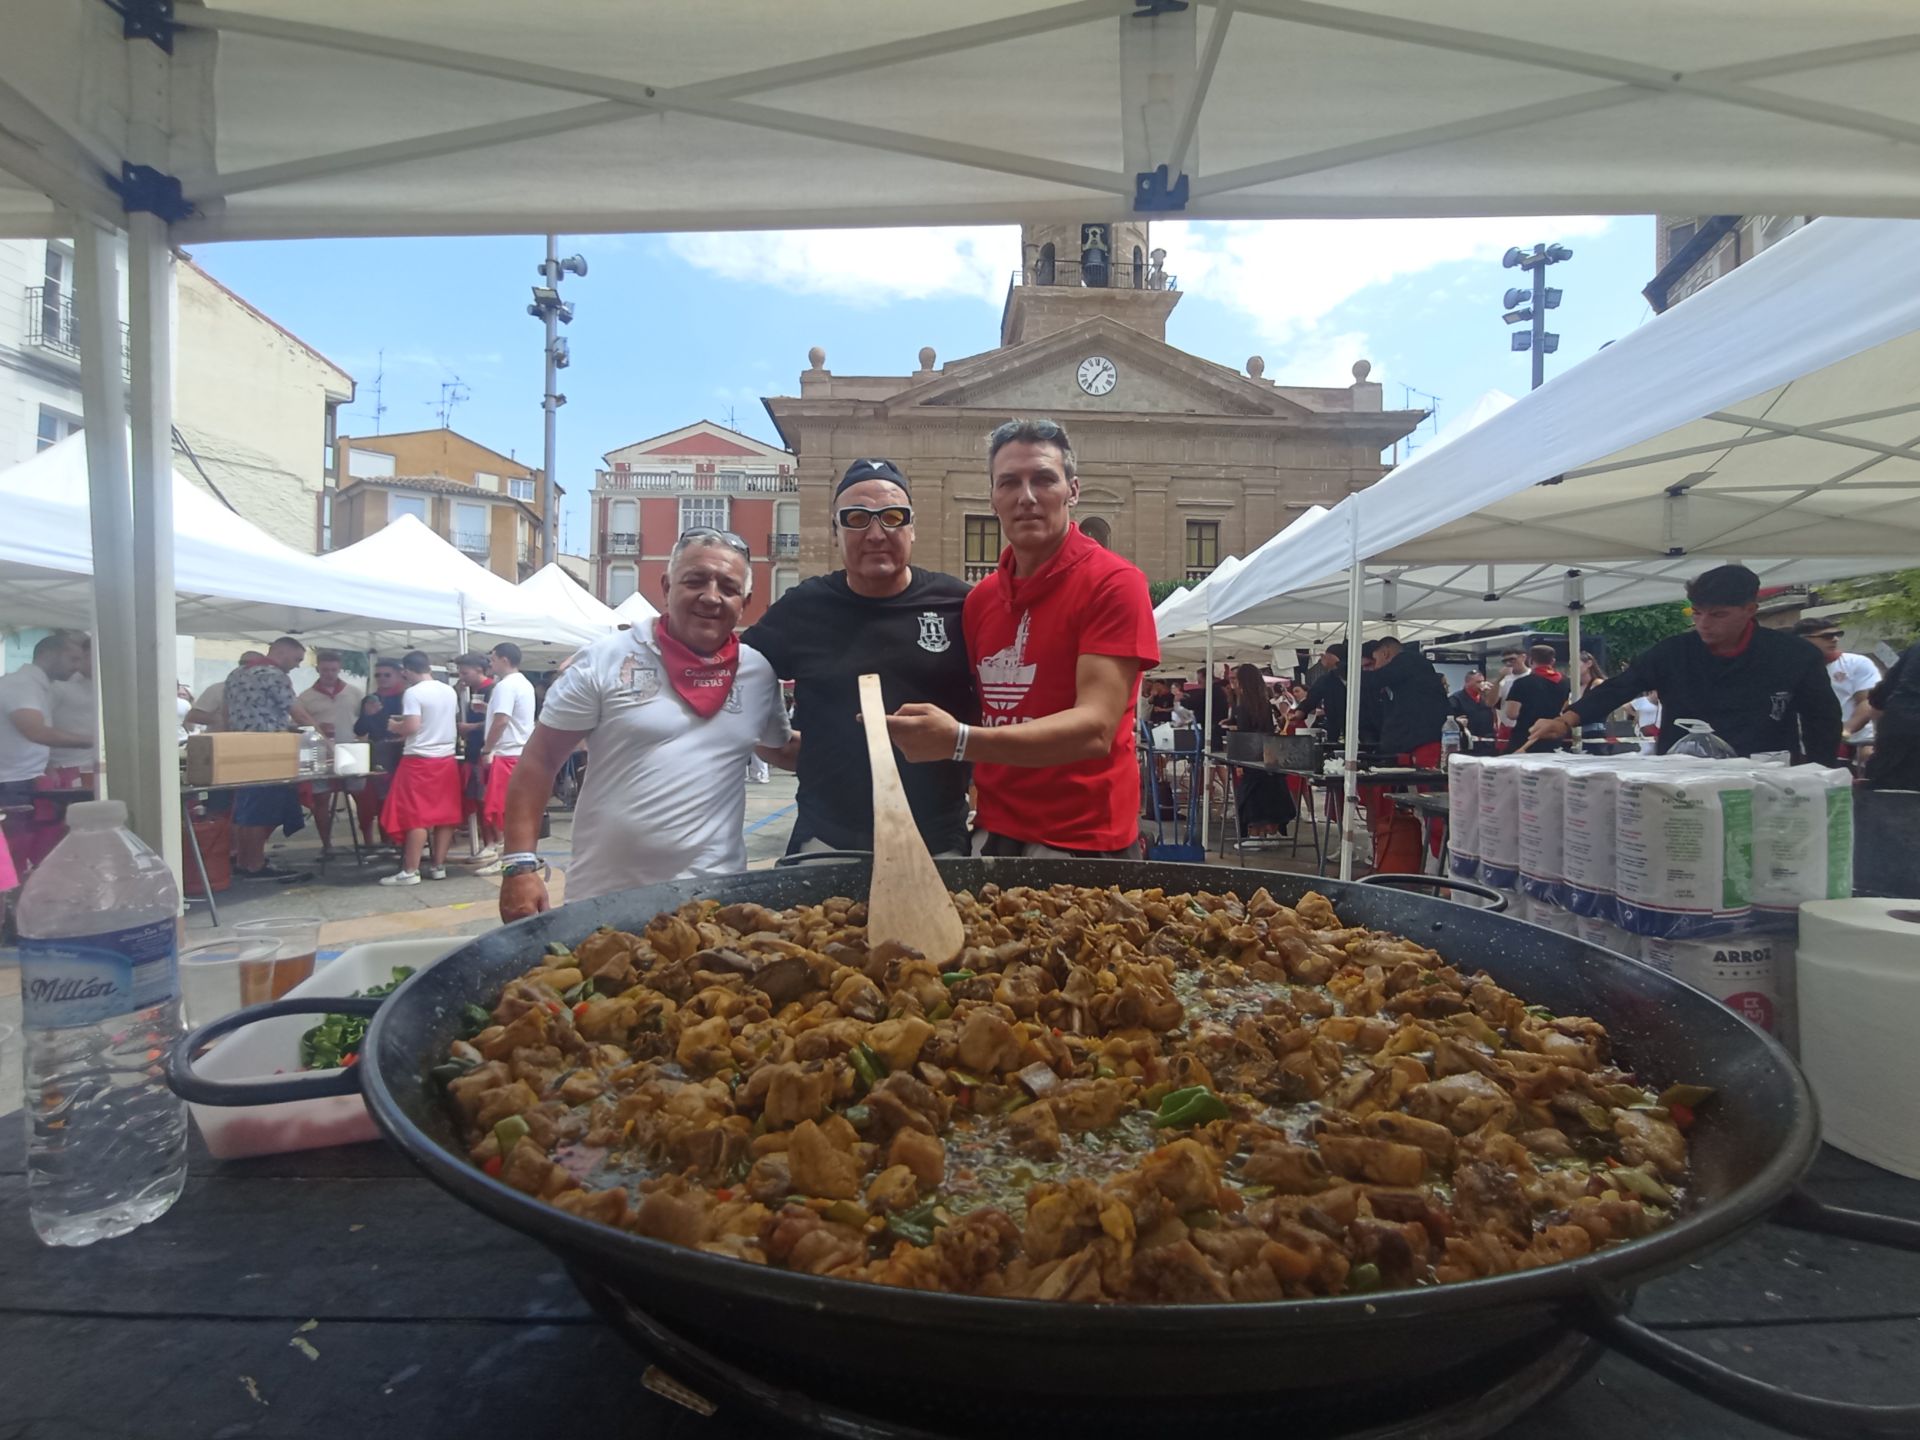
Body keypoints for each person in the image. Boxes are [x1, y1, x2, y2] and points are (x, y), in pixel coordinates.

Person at [884, 418, 1158, 857]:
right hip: (994, 832)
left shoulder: (1115, 583)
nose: (1026, 497)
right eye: (1009, 482)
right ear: (992, 498)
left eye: (1044, 479)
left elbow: (1095, 729)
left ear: (1073, 490)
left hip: (1085, 842)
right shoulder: (982, 600)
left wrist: (958, 741)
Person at [497, 530, 796, 920]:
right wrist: (519, 866)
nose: (711, 596)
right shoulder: (606, 659)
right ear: (667, 586)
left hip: (717, 899)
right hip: (606, 899)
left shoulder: (757, 671)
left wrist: (872, 740)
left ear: (745, 604)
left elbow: (777, 747)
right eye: (695, 581)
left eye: (728, 587)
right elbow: (539, 760)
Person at [743, 457, 975, 857]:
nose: (875, 533)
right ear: (835, 532)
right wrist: (776, 745)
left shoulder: (958, 603)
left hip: (937, 840)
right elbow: (738, 677)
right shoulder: (804, 607)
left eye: (892, 516)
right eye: (856, 518)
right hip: (828, 839)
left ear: (912, 528)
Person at [1529, 565, 1841, 763]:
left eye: (1718, 614)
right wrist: (1566, 720)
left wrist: (1822, 774)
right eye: (1697, 612)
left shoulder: (1794, 655)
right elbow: (1621, 686)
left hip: (1765, 774)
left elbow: (1822, 720)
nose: (1704, 623)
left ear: (1750, 609)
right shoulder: (1674, 652)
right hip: (1683, 777)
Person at [226, 636, 317, 881]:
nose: (297, 665)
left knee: (245, 808)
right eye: (297, 659)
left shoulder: (236, 674)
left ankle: (244, 860)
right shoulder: (274, 675)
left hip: (238, 747)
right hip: (268, 750)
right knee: (261, 810)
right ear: (282, 652)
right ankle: (255, 864)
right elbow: (298, 713)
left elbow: (227, 711)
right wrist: (324, 742)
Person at [0, 632, 92, 872]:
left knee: (25, 848)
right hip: (10, 782)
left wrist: (47, 766)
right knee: (13, 852)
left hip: (25, 778)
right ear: (49, 655)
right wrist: (92, 741)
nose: (77, 666)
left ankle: (16, 902)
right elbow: (35, 732)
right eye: (72, 659)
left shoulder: (38, 687)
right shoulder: (22, 684)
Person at [378, 650, 463, 886]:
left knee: (417, 816)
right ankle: (438, 865)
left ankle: (410, 870)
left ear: (406, 671)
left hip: (418, 759)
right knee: (445, 814)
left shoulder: (413, 693)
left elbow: (412, 726)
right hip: (446, 758)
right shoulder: (448, 691)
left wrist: (396, 726)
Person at [472, 642, 536, 875]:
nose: (491, 664)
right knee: (512, 810)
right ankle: (510, 856)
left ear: (504, 660)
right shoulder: (524, 683)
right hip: (520, 752)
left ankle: (508, 857)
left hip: (507, 753)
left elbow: (502, 720)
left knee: (503, 810)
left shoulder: (506, 686)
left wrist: (487, 749)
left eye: (493, 659)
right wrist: (488, 709)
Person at [295, 649, 364, 856]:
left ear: (339, 669)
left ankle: (367, 840)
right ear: (317, 669)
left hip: (350, 749)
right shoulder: (306, 697)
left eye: (333, 669)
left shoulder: (354, 693)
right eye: (325, 669)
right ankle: (327, 844)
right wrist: (317, 727)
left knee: (360, 795)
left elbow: (363, 722)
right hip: (319, 751)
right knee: (321, 799)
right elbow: (298, 726)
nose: (329, 673)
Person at [1793, 617, 1882, 764]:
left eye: (1837, 635)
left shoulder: (1856, 663)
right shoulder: (1792, 668)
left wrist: (1845, 731)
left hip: (1855, 742)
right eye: (1826, 636)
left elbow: (1868, 701)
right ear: (1802, 640)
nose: (1834, 640)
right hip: (1807, 744)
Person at [1229, 662, 1296, 838]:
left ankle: (1255, 835)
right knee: (1268, 793)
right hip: (1268, 753)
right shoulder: (1265, 702)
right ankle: (1270, 832)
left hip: (1250, 755)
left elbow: (1244, 733)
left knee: (1251, 796)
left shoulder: (1243, 704)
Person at [353, 659, 407, 847]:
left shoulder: (406, 697)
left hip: (401, 752)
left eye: (387, 675)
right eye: (378, 675)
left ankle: (400, 840)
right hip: (379, 752)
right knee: (378, 798)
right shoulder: (370, 699)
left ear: (399, 674)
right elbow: (360, 730)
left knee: (399, 798)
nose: (382, 679)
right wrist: (368, 714)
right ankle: (384, 840)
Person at [1858, 638, 1920, 789]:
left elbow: (1884, 690)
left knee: (1889, 788)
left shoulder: (1915, 649)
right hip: (1903, 721)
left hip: (1900, 723)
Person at [453, 652, 496, 855]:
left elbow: (500, 720)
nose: (462, 677)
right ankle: (488, 841)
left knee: (485, 799)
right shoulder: (470, 691)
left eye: (465, 672)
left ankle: (493, 842)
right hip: (472, 751)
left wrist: (471, 727)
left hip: (484, 752)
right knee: (478, 801)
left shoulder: (493, 690)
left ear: (479, 670)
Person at [44, 634, 97, 788]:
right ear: (85, 655)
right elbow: (39, 727)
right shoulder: (59, 686)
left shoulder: (99, 686)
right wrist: (48, 767)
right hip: (67, 766)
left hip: (96, 765)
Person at [1503, 644, 1571, 754]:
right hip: (1553, 736)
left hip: (1525, 737)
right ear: (1552, 661)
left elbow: (1511, 713)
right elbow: (1565, 707)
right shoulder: (1566, 682)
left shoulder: (1522, 683)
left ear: (1530, 660)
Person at [186, 649, 265, 732]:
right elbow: (193, 716)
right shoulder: (218, 689)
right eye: (243, 663)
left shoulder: (270, 691)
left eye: (254, 663)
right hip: (222, 740)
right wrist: (222, 719)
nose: (247, 666)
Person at [1449, 670, 1497, 747]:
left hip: (1488, 740)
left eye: (1483, 681)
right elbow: (1450, 719)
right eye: (1478, 682)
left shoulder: (1486, 697)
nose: (1482, 684)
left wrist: (1490, 693)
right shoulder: (1456, 699)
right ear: (1467, 683)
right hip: (1468, 741)